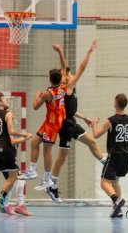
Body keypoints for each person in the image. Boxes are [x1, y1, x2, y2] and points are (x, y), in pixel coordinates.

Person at [24, 41, 97, 191]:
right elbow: (65, 67)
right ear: (60, 78)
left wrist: (36, 96)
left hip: (53, 123)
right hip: (53, 120)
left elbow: (35, 107)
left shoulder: (47, 93)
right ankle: (32, 170)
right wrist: (60, 52)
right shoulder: (64, 86)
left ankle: (46, 179)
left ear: (50, 79)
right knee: (34, 142)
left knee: (47, 150)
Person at [45, 42, 107, 202]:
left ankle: (104, 161)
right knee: (71, 152)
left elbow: (69, 109)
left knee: (82, 147)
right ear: (65, 77)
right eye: (69, 75)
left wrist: (84, 117)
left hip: (68, 122)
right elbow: (81, 68)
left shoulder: (64, 89)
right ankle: (51, 185)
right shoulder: (68, 85)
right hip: (67, 125)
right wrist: (89, 51)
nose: (72, 76)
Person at [92, 93, 128, 218]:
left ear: (115, 103)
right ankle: (118, 209)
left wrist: (94, 124)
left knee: (104, 183)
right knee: (115, 181)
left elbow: (96, 135)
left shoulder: (110, 120)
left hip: (115, 156)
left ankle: (116, 200)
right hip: (126, 157)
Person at [0, 93, 32, 216]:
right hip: (5, 147)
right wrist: (24, 135)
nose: (5, 100)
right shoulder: (7, 114)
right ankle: (1, 199)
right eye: (3, 98)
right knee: (13, 176)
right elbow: (12, 131)